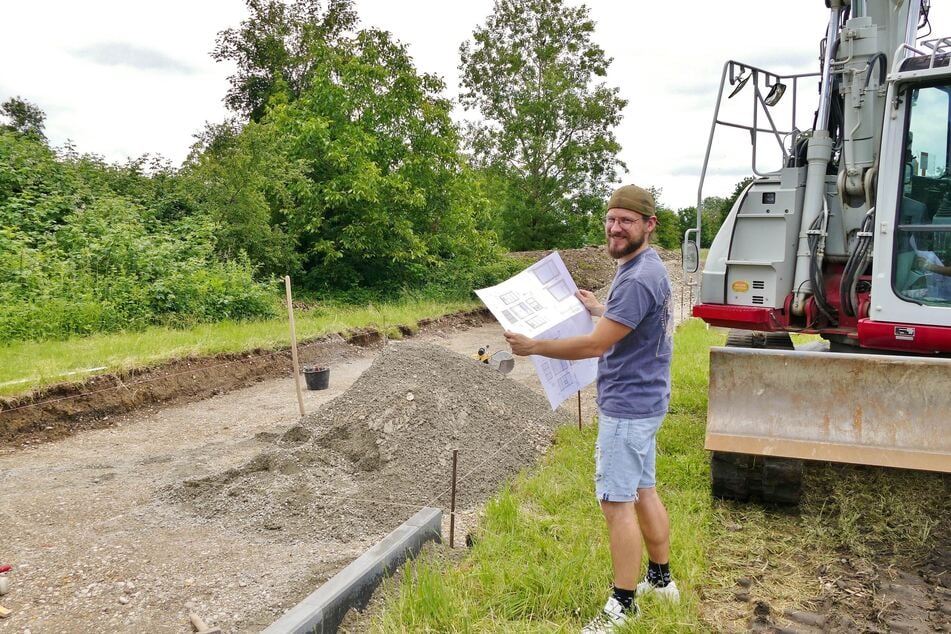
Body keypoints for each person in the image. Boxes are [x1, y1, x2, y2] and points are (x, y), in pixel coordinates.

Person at [504, 184, 678, 633]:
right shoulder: (646, 267)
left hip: (626, 407)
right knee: (644, 489)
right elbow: (630, 319)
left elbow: (597, 344)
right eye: (611, 218)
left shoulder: (637, 276)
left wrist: (534, 345)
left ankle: (623, 605)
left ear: (649, 225)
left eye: (627, 221)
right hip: (647, 399)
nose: (615, 227)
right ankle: (660, 582)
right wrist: (601, 306)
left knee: (616, 503)